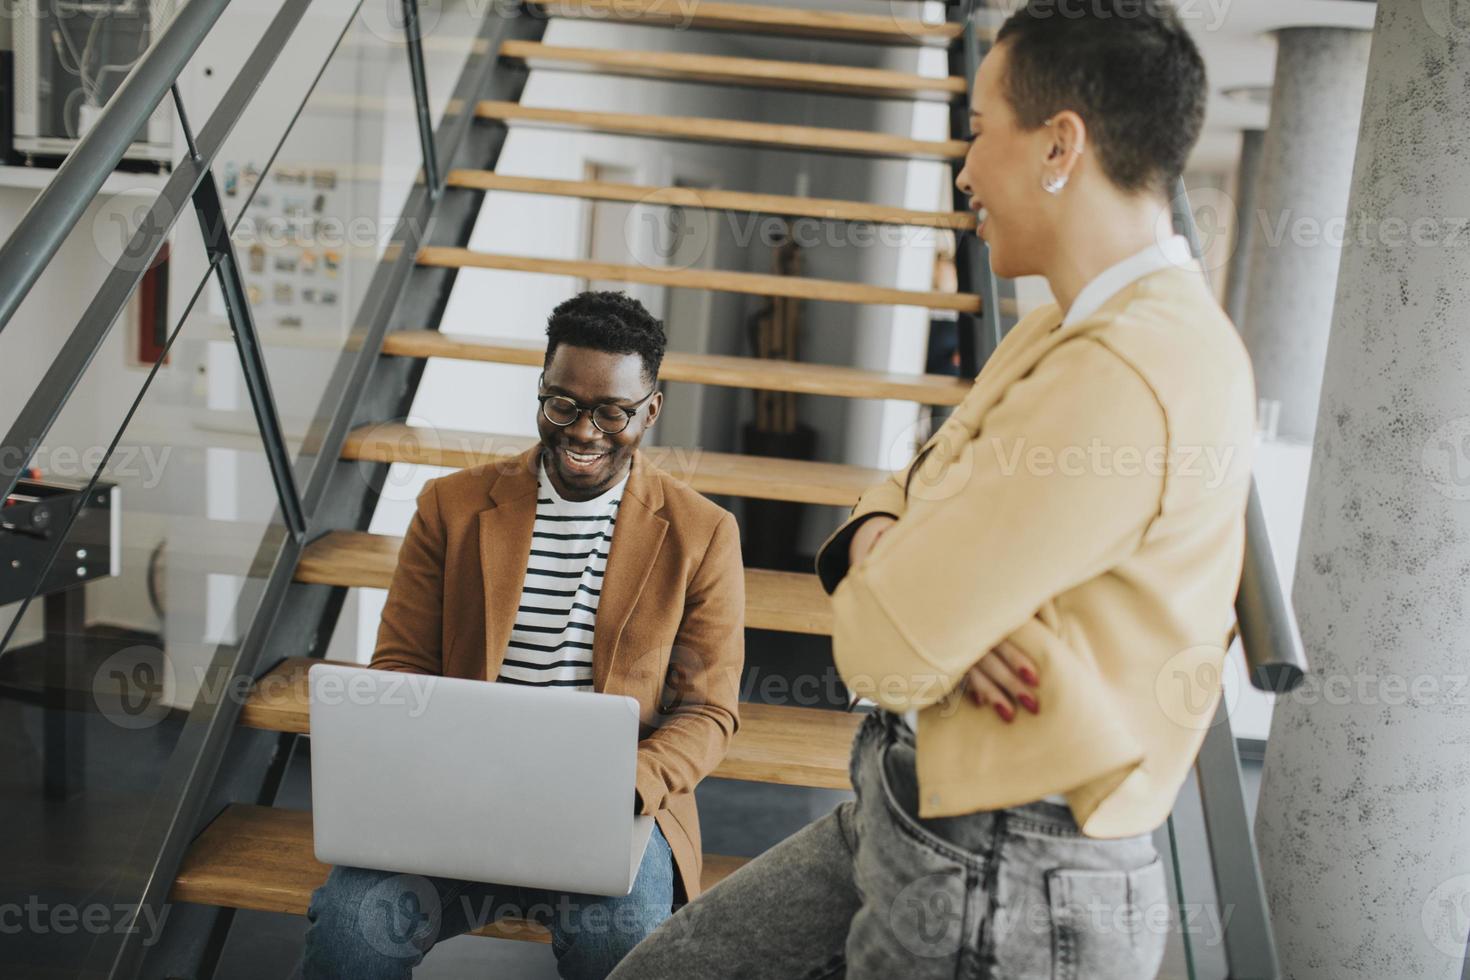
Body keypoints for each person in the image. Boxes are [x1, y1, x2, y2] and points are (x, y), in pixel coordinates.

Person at [608, 1, 1255, 977]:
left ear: (1059, 145)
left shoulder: (1128, 368)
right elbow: (905, 486)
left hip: (1008, 873)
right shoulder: (1063, 330)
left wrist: (915, 578)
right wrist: (894, 545)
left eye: (978, 130)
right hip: (918, 808)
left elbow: (884, 645)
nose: (963, 170)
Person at [299, 291, 746, 980]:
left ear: (650, 410)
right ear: (540, 391)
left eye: (612, 412)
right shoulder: (450, 507)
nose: (584, 432)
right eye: (562, 405)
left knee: (619, 942)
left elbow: (709, 711)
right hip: (452, 792)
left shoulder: (703, 534)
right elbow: (401, 667)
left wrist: (626, 786)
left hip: (613, 809)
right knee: (353, 934)